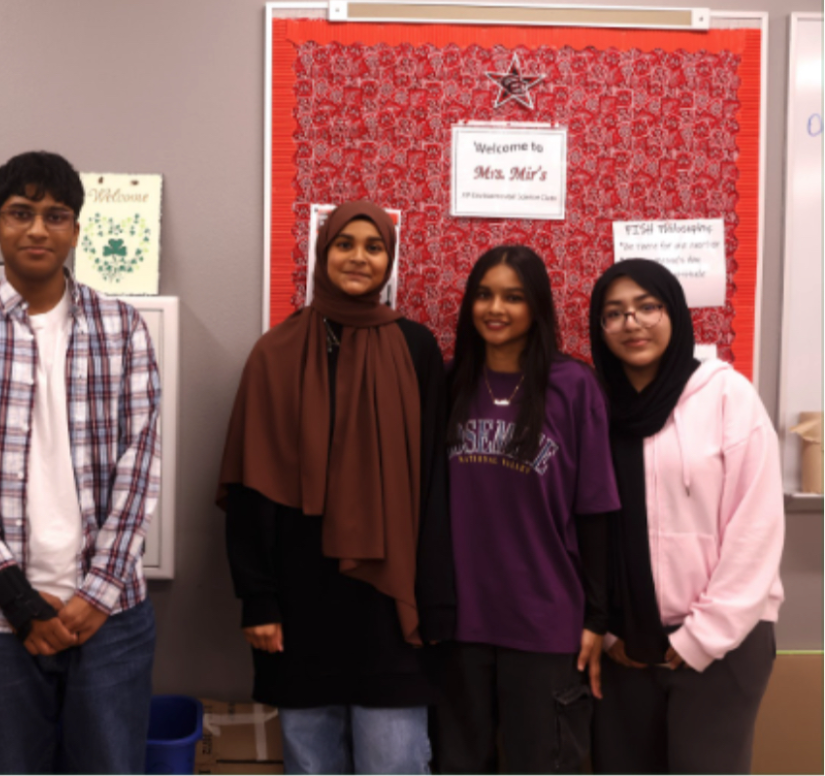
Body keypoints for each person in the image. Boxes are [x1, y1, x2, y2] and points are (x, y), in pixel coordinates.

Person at [0, 151, 161, 774]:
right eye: (20, 213)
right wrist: (20, 602)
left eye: (56, 216)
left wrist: (97, 595)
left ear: (76, 232)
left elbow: (142, 465)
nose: (37, 229)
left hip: (109, 616)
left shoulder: (123, 328)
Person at [218, 201, 455, 775]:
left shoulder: (416, 348)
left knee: (395, 761)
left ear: (389, 262)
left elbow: (435, 486)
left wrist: (436, 599)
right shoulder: (275, 353)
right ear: (322, 254)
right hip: (300, 604)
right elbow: (252, 491)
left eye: (373, 247)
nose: (358, 257)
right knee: (311, 763)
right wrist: (259, 599)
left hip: (391, 604)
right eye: (344, 244)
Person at [587, 259, 784, 774]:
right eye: (614, 313)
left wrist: (702, 635)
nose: (632, 323)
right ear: (599, 328)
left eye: (647, 307)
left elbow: (756, 527)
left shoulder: (726, 395)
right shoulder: (594, 408)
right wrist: (607, 631)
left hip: (723, 643)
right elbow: (582, 525)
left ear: (673, 311)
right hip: (625, 646)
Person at [433, 245, 619, 774]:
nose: (496, 308)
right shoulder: (447, 383)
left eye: (513, 297)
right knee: (458, 764)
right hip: (459, 621)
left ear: (537, 307)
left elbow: (596, 510)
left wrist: (595, 619)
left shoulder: (574, 387)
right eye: (485, 295)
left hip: (545, 622)